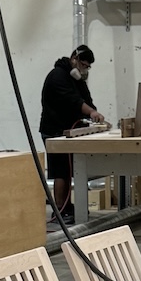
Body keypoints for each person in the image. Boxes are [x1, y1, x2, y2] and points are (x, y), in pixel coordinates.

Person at [39, 45, 105, 221]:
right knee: (60, 170)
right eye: (83, 65)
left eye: (88, 67)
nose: (85, 69)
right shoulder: (58, 76)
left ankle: (67, 206)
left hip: (68, 131)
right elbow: (73, 101)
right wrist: (91, 112)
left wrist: (94, 112)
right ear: (74, 59)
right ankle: (60, 209)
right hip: (54, 130)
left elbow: (85, 99)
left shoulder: (76, 79)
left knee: (68, 169)